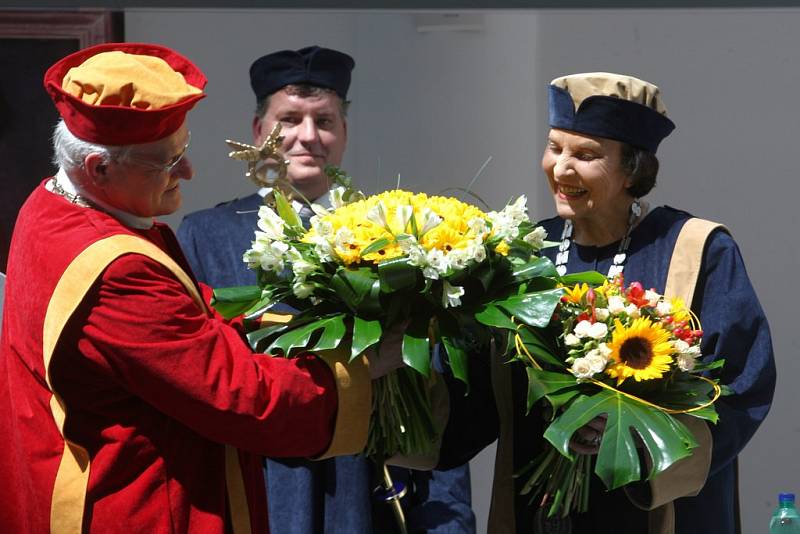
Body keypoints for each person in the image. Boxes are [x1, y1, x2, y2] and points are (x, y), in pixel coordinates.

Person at [0, 42, 401, 533]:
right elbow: (241, 396)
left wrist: (303, 328)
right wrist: (360, 366)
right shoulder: (115, 270)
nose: (188, 172)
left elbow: (195, 312)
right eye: (166, 163)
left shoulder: (51, 206)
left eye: (182, 151)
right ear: (98, 167)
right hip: (136, 505)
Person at [177, 46, 476, 534]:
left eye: (325, 120)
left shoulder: (394, 234)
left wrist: (449, 520)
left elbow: (429, 381)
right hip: (255, 479)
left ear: (344, 132)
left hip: (362, 482)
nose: (307, 136)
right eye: (289, 119)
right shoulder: (206, 235)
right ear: (259, 132)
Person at [486, 72, 776, 534]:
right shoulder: (523, 254)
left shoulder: (696, 249)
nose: (561, 169)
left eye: (585, 155)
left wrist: (634, 437)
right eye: (554, 147)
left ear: (632, 172)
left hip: (660, 511)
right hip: (543, 512)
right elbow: (480, 394)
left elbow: (741, 384)